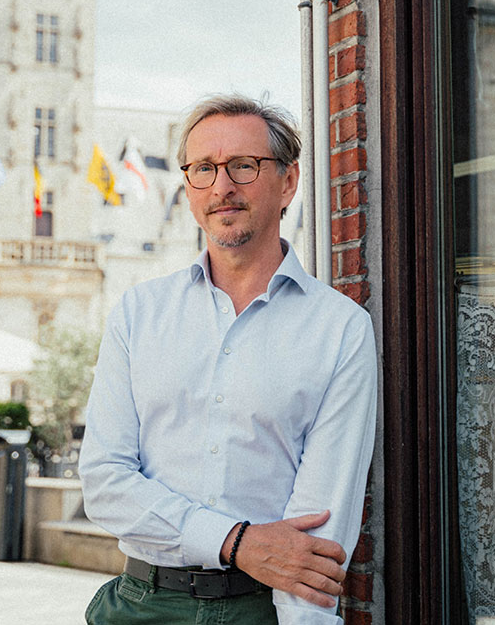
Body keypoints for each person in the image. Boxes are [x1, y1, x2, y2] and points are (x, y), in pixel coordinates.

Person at [80, 94, 377, 625]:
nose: (222, 187)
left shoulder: (340, 330)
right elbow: (104, 483)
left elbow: (317, 539)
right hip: (140, 603)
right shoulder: (138, 313)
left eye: (244, 165)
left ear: (288, 181)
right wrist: (234, 541)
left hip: (261, 609)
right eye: (203, 169)